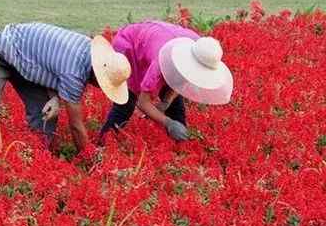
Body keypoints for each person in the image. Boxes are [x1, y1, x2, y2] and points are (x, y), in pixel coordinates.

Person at [0, 22, 131, 152]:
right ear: (97, 71)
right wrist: (89, 157)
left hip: (24, 63)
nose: (97, 87)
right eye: (101, 83)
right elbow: (76, 126)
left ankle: (37, 155)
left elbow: (52, 64)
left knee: (45, 116)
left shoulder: (88, 51)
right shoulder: (75, 72)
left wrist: (56, 99)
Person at [97, 21, 233, 143]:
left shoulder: (203, 50)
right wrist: (168, 123)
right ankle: (103, 143)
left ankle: (180, 146)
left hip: (156, 40)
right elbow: (143, 103)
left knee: (175, 105)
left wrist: (166, 102)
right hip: (129, 45)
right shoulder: (159, 64)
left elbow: (180, 82)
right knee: (126, 103)